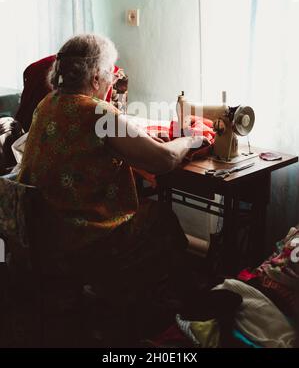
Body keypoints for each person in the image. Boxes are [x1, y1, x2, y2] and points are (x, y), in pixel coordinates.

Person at [17, 33, 209, 305]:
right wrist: (189, 139)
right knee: (161, 219)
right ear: (95, 77)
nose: (112, 80)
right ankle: (178, 302)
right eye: (111, 74)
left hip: (43, 232)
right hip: (82, 240)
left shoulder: (47, 104)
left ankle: (119, 289)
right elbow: (163, 161)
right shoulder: (97, 112)